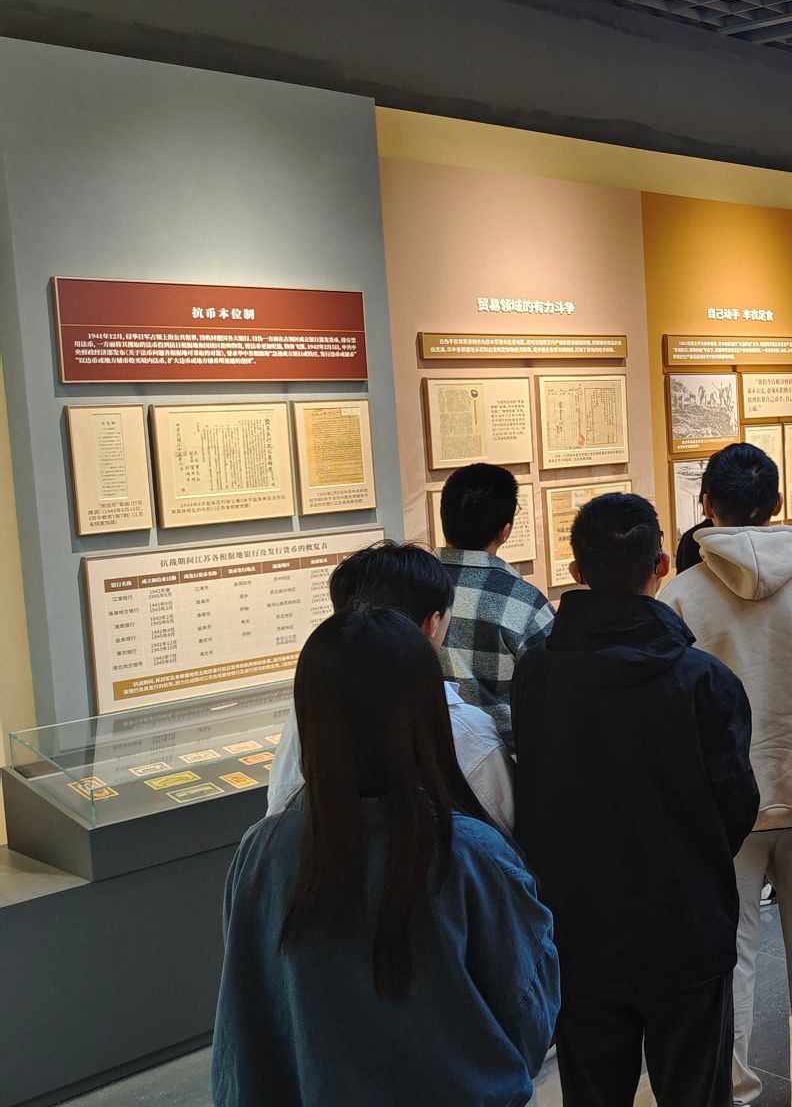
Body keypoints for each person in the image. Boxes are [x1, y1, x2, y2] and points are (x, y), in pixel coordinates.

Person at [214, 608, 558, 1107]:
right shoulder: (469, 855)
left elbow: (243, 1017)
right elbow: (529, 1017)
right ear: (426, 712)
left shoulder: (262, 851)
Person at [513, 493, 758, 1107]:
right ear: (661, 566)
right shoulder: (704, 681)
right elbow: (735, 807)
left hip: (577, 927)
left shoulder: (536, 673)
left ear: (576, 571)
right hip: (685, 923)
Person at [658, 442, 792, 1107]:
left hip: (721, 813)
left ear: (706, 505)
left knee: (729, 960)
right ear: (778, 503)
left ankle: (733, 1090)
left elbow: (672, 713)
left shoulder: (680, 596)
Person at [268, 541, 514, 833]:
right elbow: (505, 835)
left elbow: (280, 811)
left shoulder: (309, 715)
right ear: (432, 624)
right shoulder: (468, 731)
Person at [437, 463, 554, 745]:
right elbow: (555, 693)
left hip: (427, 755)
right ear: (506, 530)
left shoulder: (408, 586)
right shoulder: (525, 603)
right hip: (505, 756)